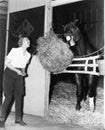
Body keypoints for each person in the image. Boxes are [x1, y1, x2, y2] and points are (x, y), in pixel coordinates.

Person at [0, 37, 31, 128]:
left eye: (29, 40)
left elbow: (24, 66)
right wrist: (16, 71)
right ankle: (1, 120)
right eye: (26, 40)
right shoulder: (14, 50)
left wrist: (23, 72)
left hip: (19, 75)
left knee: (19, 96)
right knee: (8, 97)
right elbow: (7, 63)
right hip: (9, 72)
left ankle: (18, 119)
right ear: (21, 42)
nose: (28, 41)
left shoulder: (28, 55)